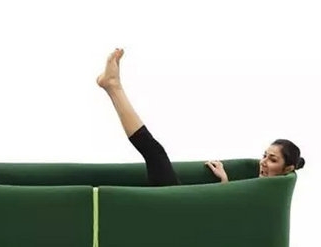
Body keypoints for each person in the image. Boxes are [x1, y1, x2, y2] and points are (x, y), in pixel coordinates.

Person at [96, 48, 305, 186]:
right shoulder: (261, 187)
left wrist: (225, 185)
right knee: (154, 153)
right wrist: (224, 181)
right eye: (265, 156)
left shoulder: (269, 193)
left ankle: (114, 87)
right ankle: (113, 87)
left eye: (273, 159)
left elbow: (234, 213)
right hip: (184, 207)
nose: (264, 162)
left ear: (288, 169)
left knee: (154, 152)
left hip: (182, 213)